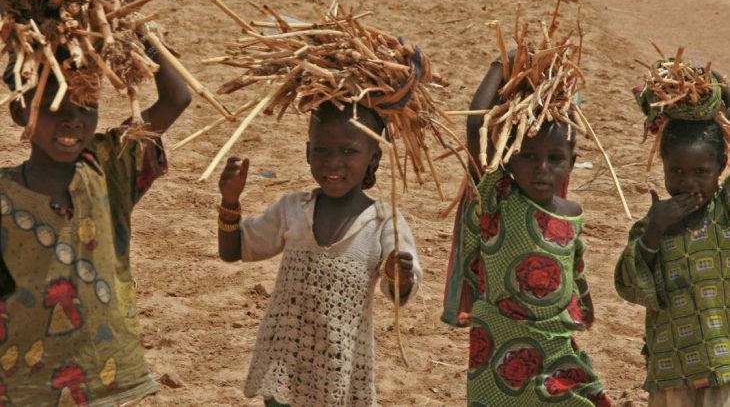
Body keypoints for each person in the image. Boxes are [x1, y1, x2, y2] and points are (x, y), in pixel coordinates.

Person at [0, 44, 191, 405]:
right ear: (21, 108)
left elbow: (177, 98)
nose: (74, 120)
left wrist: (140, 40)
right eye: (57, 107)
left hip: (105, 375)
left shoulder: (109, 166)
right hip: (25, 385)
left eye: (88, 106)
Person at [217, 102, 421, 407]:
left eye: (349, 151)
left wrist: (399, 273)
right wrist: (230, 200)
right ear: (308, 151)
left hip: (340, 370)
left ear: (373, 157)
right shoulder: (292, 209)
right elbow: (234, 251)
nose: (333, 162)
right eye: (322, 150)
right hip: (284, 362)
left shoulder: (383, 221)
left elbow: (398, 290)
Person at [443, 57, 611, 406]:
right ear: (508, 158)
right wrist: (500, 66)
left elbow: (574, 267)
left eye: (555, 159)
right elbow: (477, 123)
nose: (542, 170)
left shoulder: (572, 213)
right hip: (497, 345)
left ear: (572, 163)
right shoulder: (498, 198)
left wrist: (584, 308)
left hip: (553, 343)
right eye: (529, 156)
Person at [615, 71, 730, 407]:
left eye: (701, 172)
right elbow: (629, 286)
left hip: (725, 371)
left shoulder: (724, 212)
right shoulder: (652, 224)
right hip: (672, 374)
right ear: (663, 165)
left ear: (721, 168)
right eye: (676, 171)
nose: (688, 183)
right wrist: (654, 231)